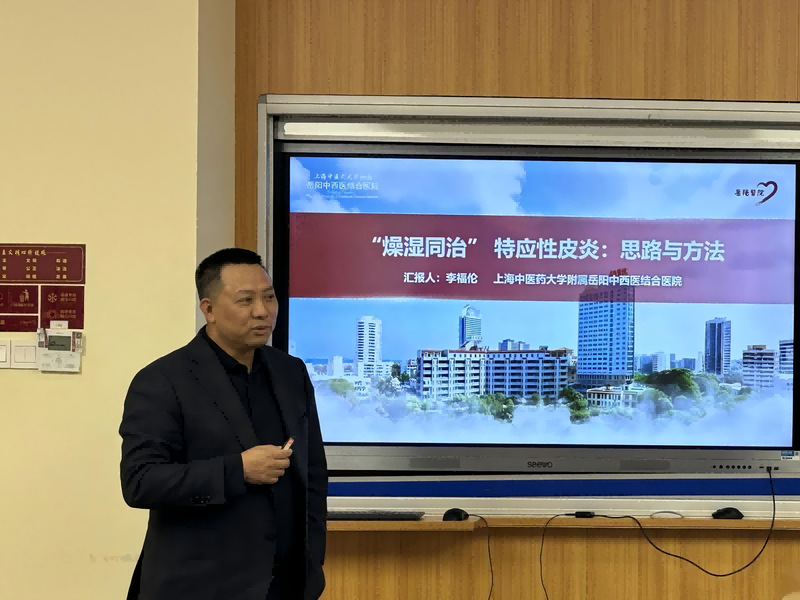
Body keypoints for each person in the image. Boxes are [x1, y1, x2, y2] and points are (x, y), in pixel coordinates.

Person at [119, 248, 327, 600]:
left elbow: (313, 473)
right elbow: (141, 482)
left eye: (269, 297)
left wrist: (312, 561)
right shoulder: (163, 380)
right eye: (246, 300)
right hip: (198, 586)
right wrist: (238, 470)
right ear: (209, 309)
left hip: (285, 585)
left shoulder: (291, 372)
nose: (262, 311)